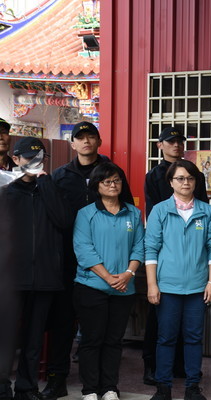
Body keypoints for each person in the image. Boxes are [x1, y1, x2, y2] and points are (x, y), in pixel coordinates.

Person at [44, 122, 134, 400]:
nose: (85, 142)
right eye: (79, 138)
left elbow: (127, 211)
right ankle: (57, 379)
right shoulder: (60, 176)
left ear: (99, 141)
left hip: (107, 266)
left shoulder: (112, 174)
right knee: (62, 323)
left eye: (90, 137)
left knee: (102, 331)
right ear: (72, 143)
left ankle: (105, 385)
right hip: (68, 261)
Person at [0, 138, 72, 400]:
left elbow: (64, 221)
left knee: (33, 339)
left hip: (44, 276)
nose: (33, 162)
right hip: (10, 278)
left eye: (39, 157)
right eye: (28, 158)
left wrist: (45, 183)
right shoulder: (6, 192)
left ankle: (27, 388)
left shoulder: (51, 188)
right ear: (16, 160)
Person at [145, 159, 211, 400]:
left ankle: (192, 387)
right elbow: (151, 249)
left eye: (190, 178)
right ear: (170, 182)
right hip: (167, 286)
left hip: (198, 287)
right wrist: (152, 285)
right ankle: (163, 386)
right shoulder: (160, 210)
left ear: (196, 182)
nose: (185, 182)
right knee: (166, 338)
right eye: (180, 178)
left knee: (194, 338)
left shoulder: (205, 211)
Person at [72, 162, 144, 400]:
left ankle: (110, 388)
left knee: (114, 341)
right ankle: (90, 389)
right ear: (97, 185)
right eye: (107, 181)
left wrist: (127, 274)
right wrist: (107, 277)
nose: (113, 185)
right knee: (92, 340)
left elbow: (139, 247)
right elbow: (83, 249)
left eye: (116, 181)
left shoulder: (133, 213)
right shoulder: (86, 214)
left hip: (124, 288)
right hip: (91, 286)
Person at [143, 127, 208, 385]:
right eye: (170, 142)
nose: (176, 145)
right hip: (165, 250)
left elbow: (200, 206)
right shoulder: (154, 176)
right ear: (160, 145)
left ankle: (182, 367)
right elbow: (152, 209)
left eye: (180, 141)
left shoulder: (195, 174)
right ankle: (153, 366)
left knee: (189, 323)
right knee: (159, 318)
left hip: (190, 251)